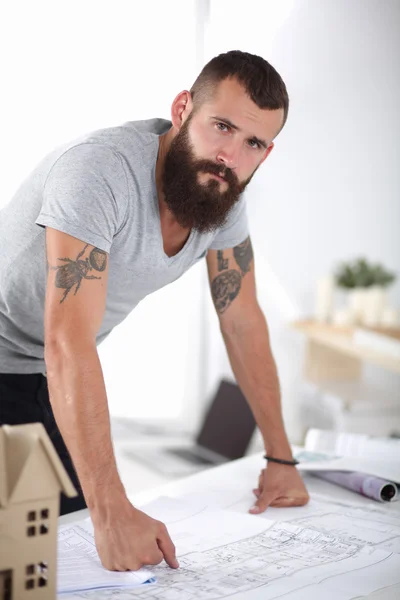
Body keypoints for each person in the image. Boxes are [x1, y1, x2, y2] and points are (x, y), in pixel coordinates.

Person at [0, 50, 309, 571]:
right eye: (222, 126)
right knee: (28, 557)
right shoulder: (99, 171)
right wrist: (112, 511)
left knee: (66, 554)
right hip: (21, 361)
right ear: (183, 107)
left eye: (252, 142)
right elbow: (67, 342)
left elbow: (242, 321)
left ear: (267, 152)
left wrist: (280, 457)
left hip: (42, 376)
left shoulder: (221, 196)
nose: (230, 155)